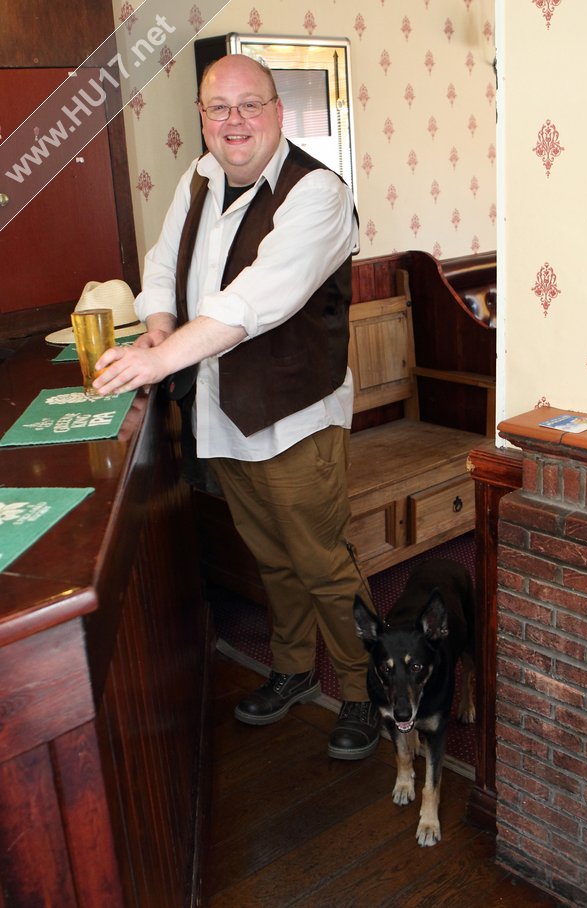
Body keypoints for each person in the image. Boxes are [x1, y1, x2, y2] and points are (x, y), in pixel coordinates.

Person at [94, 53, 381, 759]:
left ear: (278, 111)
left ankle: (364, 690)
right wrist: (158, 323)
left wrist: (160, 358)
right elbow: (163, 263)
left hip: (295, 417)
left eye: (250, 105)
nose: (234, 121)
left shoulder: (318, 193)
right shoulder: (198, 178)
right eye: (218, 108)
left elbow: (258, 299)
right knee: (271, 557)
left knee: (321, 562)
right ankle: (292, 669)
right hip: (221, 410)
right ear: (201, 117)